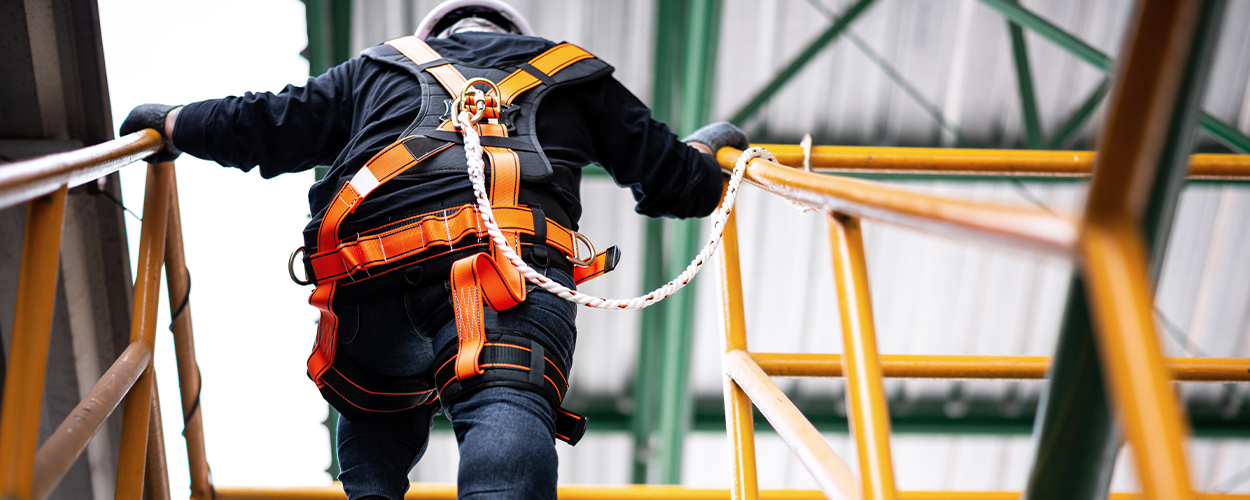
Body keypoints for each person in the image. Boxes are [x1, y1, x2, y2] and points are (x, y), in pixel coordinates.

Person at [119, 1, 749, 498]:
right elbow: (678, 182)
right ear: (516, 36)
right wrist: (713, 146)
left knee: (375, 400)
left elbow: (268, 124)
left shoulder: (378, 67)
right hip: (504, 273)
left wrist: (172, 123)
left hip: (369, 272)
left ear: (436, 37)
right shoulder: (576, 73)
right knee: (505, 403)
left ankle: (371, 494)